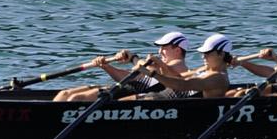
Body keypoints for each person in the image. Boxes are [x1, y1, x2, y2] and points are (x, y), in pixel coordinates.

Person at [53, 30, 191, 101]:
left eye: (164, 48)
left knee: (75, 99)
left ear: (177, 50)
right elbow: (129, 76)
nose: (160, 51)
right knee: (64, 94)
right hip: (124, 87)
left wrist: (133, 58)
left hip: (130, 93)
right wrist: (106, 66)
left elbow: (141, 69)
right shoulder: (159, 64)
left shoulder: (178, 66)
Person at [138, 33, 236, 99]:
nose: (203, 57)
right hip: (158, 98)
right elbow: (177, 78)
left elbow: (182, 85)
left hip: (165, 107)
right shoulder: (205, 69)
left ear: (221, 54)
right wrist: (159, 66)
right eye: (203, 53)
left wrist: (153, 74)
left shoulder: (217, 78)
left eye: (207, 53)